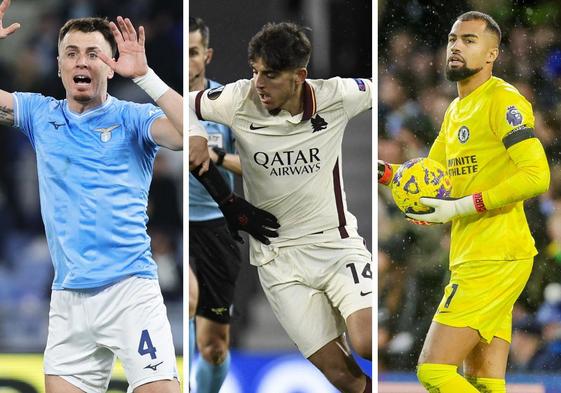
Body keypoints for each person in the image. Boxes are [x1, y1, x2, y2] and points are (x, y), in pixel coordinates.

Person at [0, 1, 184, 391]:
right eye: (71, 53)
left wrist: (147, 76)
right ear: (60, 64)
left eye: (93, 53)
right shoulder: (39, 114)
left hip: (130, 291)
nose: (81, 61)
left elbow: (191, 133)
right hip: (69, 299)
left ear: (110, 63)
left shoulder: (133, 117)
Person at [190, 21, 372, 393]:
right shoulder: (238, 99)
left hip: (336, 246)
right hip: (279, 262)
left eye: (270, 74)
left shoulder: (336, 95)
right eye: (255, 71)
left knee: (367, 341)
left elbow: (381, 88)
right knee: (341, 376)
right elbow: (184, 104)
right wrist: (195, 136)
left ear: (299, 76)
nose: (259, 83)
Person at [378, 11, 550, 393]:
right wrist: (386, 174)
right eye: (453, 39)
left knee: (433, 371)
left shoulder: (503, 101)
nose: (456, 46)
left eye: (469, 40)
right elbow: (434, 171)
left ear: (492, 54)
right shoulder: (456, 110)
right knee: (484, 382)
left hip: (494, 255)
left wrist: (461, 206)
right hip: (478, 253)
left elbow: (537, 174)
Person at [188, 16, 243, 393]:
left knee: (214, 349)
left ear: (206, 55)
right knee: (187, 299)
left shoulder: (227, 104)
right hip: (170, 225)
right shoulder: (160, 99)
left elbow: (256, 164)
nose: (186, 60)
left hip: (216, 226)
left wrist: (217, 156)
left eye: (193, 52)